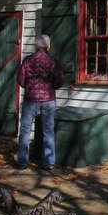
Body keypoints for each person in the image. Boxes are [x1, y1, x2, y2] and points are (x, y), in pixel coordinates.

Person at [16, 34, 64, 171]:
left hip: (30, 99)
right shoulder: (53, 61)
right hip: (48, 99)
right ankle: (49, 162)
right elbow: (60, 80)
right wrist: (50, 87)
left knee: (25, 131)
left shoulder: (27, 60)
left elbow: (20, 79)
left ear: (35, 46)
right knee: (48, 131)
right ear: (48, 46)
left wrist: (29, 87)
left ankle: (22, 162)